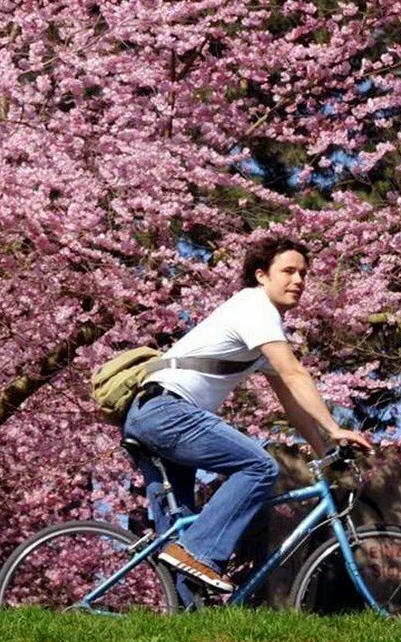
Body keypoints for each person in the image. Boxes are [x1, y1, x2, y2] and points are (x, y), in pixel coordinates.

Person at [122, 236, 372, 593]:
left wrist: (323, 453)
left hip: (153, 415)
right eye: (288, 271)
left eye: (303, 273)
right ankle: (200, 552)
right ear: (261, 276)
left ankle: (186, 619)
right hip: (167, 411)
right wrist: (334, 429)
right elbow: (294, 373)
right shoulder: (256, 308)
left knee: (178, 536)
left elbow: (291, 402)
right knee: (259, 467)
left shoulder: (259, 324)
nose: (298, 280)